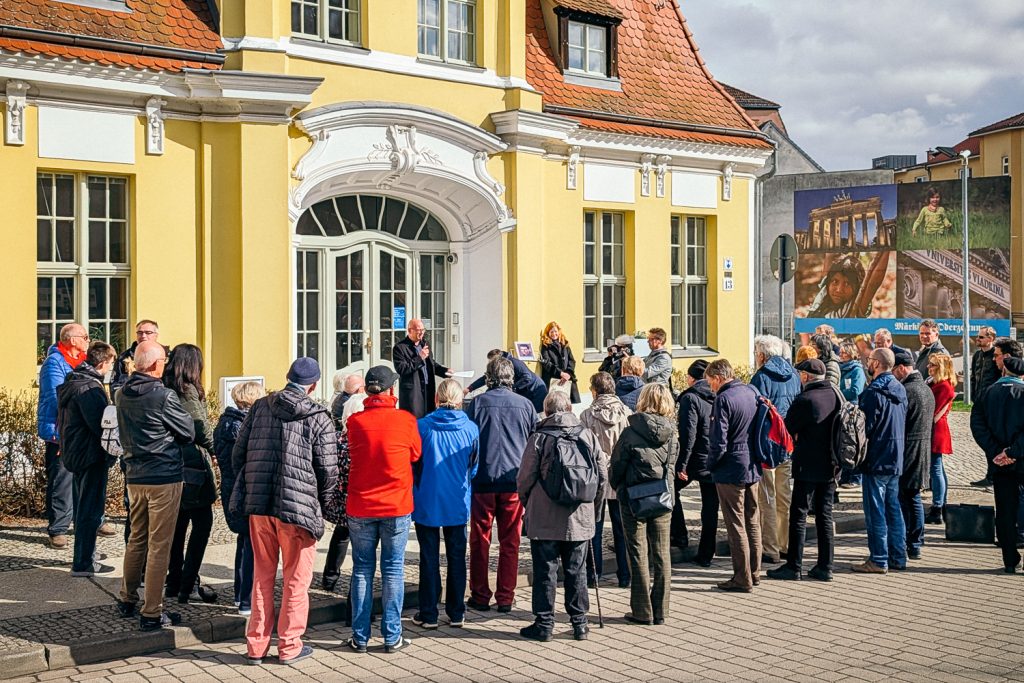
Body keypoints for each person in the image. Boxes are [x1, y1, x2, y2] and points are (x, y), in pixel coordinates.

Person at [231, 357, 338, 664]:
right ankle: (290, 645)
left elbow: (240, 454)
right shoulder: (319, 416)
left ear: (287, 377)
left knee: (261, 576)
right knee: (296, 579)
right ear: (313, 385)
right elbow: (328, 471)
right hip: (298, 509)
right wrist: (321, 502)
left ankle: (256, 645)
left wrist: (252, 484)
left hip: (261, 506)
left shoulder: (260, 407)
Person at [115, 340, 195, 630]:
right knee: (159, 545)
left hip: (135, 476)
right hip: (163, 476)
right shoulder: (163, 395)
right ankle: (151, 611)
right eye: (164, 359)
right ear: (155, 364)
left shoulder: (121, 393)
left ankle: (126, 597)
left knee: (137, 538)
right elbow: (187, 431)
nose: (166, 364)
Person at [518, 391, 605, 641]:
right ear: (569, 408)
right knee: (576, 570)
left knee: (545, 569)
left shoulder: (539, 438)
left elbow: (524, 478)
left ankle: (544, 624)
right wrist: (592, 508)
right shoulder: (587, 435)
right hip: (579, 516)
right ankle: (580, 624)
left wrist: (529, 503)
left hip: (544, 516)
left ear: (546, 411)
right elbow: (601, 475)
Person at [345, 365, 420, 654]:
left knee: (362, 569)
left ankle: (360, 637)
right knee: (393, 569)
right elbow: (415, 453)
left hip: (361, 504)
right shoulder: (406, 420)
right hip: (396, 505)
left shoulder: (356, 422)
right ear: (391, 390)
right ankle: (392, 636)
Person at [465, 356, 537, 612]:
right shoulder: (526, 405)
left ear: (489, 378)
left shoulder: (477, 403)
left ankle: (480, 594)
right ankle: (505, 596)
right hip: (513, 481)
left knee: (480, 539)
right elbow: (533, 445)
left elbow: (470, 441)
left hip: (483, 480)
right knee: (511, 540)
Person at [412, 379, 480, 630]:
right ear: (460, 400)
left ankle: (428, 613)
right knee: (456, 557)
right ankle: (456, 612)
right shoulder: (471, 429)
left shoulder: (422, 427)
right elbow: (474, 466)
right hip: (457, 500)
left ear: (436, 399)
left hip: (427, 498)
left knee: (428, 557)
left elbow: (414, 462)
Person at [767, 359, 840, 582]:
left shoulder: (805, 399)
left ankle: (794, 565)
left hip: (807, 465)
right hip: (831, 465)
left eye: (800, 374)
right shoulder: (834, 394)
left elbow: (787, 429)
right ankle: (825, 566)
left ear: (807, 376)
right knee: (824, 515)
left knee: (798, 514)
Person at [610, 384, 678, 623]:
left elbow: (617, 466)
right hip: (663, 496)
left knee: (638, 553)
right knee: (662, 554)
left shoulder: (630, 432)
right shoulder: (672, 433)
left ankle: (642, 610)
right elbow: (671, 466)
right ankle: (661, 610)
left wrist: (618, 485)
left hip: (633, 496)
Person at [162, 344, 219, 605]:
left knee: (177, 526)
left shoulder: (164, 385)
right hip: (192, 464)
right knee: (202, 525)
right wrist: (215, 449)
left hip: (171, 464)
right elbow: (200, 428)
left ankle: (175, 582)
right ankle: (187, 583)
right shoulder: (187, 391)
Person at [56, 341, 118, 576]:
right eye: (111, 363)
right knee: (90, 510)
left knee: (84, 507)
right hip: (90, 454)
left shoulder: (74, 380)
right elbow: (100, 425)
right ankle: (83, 562)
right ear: (102, 363)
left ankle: (85, 555)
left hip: (76, 451)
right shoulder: (89, 388)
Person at [705, 359, 762, 592]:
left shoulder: (724, 399)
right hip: (752, 463)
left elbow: (719, 440)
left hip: (730, 467)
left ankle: (742, 577)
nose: (710, 387)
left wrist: (711, 464)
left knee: (736, 523)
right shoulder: (751, 391)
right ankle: (755, 572)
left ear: (718, 378)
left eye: (710, 382)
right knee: (752, 520)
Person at [38, 322, 96, 548]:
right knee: (62, 479)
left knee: (83, 477)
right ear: (73, 340)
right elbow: (56, 397)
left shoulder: (81, 361)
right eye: (85, 337)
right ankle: (58, 528)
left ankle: (90, 519)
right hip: (60, 430)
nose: (88, 341)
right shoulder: (54, 363)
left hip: (78, 429)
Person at [852, 348, 908, 574]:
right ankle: (898, 556)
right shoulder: (900, 389)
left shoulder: (873, 393)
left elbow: (865, 429)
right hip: (896, 455)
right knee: (893, 508)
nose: (867, 363)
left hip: (877, 458)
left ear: (876, 363)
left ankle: (878, 558)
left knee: (876, 510)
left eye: (869, 360)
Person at [213, 381, 265, 616]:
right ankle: (246, 599)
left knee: (245, 542)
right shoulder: (242, 426)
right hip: (243, 490)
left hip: (231, 487)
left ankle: (239, 594)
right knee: (251, 544)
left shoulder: (225, 421)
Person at [970, 355, 1024, 573]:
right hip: (1022, 459)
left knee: (1005, 511)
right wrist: (1013, 451)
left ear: (1004, 372)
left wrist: (995, 451)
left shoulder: (987, 393)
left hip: (998, 463)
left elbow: (977, 425)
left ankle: (1010, 560)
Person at [749, 334, 800, 564]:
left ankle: (770, 549)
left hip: (766, 445)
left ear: (761, 355)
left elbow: (754, 412)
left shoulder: (760, 377)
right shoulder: (794, 374)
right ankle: (786, 543)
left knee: (767, 496)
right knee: (784, 496)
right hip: (787, 442)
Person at [580, 372, 632, 587]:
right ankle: (625, 575)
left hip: (596, 476)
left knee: (595, 528)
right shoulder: (627, 413)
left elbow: (583, 448)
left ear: (594, 390)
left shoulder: (587, 415)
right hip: (620, 474)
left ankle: (594, 575)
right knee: (622, 529)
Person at [321, 376, 367, 593]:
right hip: (359, 499)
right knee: (358, 540)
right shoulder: (360, 440)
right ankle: (355, 583)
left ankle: (330, 576)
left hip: (343, 500)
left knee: (341, 535)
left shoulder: (338, 440)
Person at [674, 360, 718, 567]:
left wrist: (681, 464)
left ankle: (680, 535)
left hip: (694, 459)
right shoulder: (718, 394)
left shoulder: (690, 398)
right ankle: (706, 554)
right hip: (713, 457)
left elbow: (688, 434)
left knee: (671, 489)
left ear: (692, 378)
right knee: (710, 506)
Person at [892, 351, 934, 561]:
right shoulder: (924, 388)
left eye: (893, 370)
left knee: (908, 498)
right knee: (912, 496)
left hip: (909, 450)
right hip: (921, 449)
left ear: (901, 368)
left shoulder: (907, 390)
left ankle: (913, 542)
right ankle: (917, 541)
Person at [972, 338, 1024, 488]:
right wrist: (1006, 452)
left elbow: (977, 424)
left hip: (1005, 457)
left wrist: (1001, 452)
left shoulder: (989, 391)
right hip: (1005, 457)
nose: (993, 359)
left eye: (996, 355)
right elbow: (978, 422)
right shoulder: (990, 388)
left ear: (1007, 357)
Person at [392, 319, 452, 418]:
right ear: (410, 330)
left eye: (423, 330)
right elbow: (402, 369)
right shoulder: (400, 348)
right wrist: (419, 358)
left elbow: (432, 365)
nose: (421, 333)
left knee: (429, 419)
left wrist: (445, 371)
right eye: (418, 330)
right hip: (413, 393)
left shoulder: (425, 344)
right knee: (415, 422)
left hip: (428, 389)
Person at [807, 252, 888, 319]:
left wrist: (886, 249)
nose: (839, 290)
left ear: (856, 288)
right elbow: (829, 254)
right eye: (835, 281)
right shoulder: (823, 294)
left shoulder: (855, 308)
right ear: (828, 282)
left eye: (847, 284)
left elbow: (873, 283)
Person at [466, 348, 547, 413]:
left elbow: (527, 377)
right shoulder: (499, 365)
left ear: (498, 358)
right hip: (526, 390)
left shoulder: (514, 362)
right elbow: (486, 377)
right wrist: (470, 388)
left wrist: (512, 388)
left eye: (492, 361)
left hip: (536, 390)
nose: (491, 364)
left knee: (532, 413)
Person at [926, 354, 956, 525]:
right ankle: (940, 504)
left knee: (935, 469)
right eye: (929, 364)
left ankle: (938, 506)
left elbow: (935, 412)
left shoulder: (944, 386)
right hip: (934, 428)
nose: (929, 367)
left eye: (933, 365)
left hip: (936, 429)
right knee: (938, 468)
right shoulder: (934, 382)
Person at [837, 340, 868, 488]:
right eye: (840, 352)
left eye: (844, 352)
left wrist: (838, 392)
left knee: (853, 441)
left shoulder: (857, 370)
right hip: (842, 409)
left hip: (853, 410)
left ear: (851, 354)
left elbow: (855, 390)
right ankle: (845, 475)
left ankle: (855, 477)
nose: (841, 355)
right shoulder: (839, 368)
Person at [110, 320, 168, 392]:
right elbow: (115, 386)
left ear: (156, 335)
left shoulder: (166, 355)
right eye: (140, 333)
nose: (143, 336)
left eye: (148, 333)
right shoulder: (124, 358)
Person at [539, 321, 580, 404]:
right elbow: (546, 363)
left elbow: (572, 360)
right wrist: (561, 373)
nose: (554, 334)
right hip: (554, 379)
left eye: (555, 331)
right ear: (548, 333)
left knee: (568, 404)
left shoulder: (565, 344)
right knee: (555, 404)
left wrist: (568, 373)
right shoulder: (546, 346)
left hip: (567, 379)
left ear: (559, 332)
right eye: (551, 332)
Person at [970, 326, 1000, 401]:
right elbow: (973, 377)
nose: (977, 339)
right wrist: (973, 396)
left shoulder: (997, 354)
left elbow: (1001, 376)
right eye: (977, 336)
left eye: (981, 337)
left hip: (992, 399)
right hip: (978, 399)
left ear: (990, 339)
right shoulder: (977, 355)